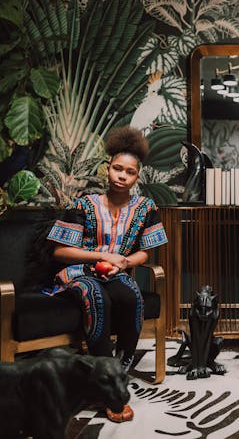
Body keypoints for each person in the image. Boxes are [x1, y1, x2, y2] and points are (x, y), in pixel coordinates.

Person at [46, 126, 168, 422]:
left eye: (129, 172)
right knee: (97, 298)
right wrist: (103, 255)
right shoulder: (83, 205)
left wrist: (125, 263)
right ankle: (104, 389)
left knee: (132, 297)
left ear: (137, 177)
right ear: (107, 169)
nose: (122, 176)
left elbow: (145, 254)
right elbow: (59, 253)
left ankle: (116, 373)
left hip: (117, 272)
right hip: (80, 272)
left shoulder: (145, 207)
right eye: (117, 168)